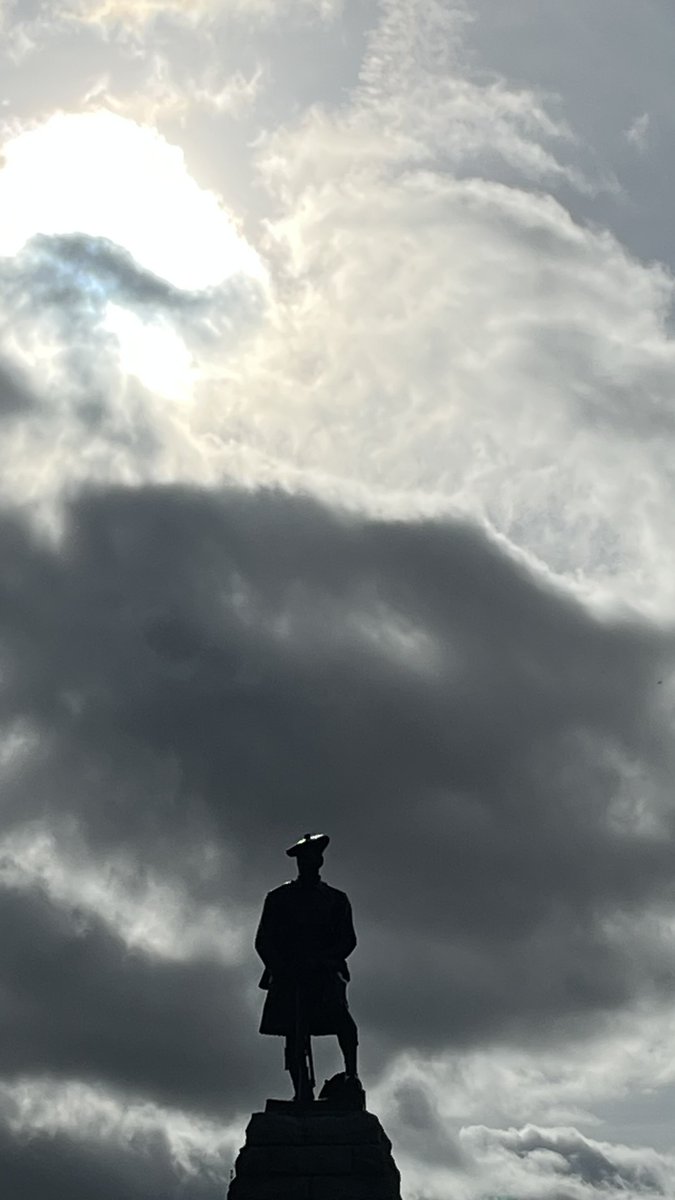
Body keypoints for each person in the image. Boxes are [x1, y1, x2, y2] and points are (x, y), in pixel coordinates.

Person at [255, 833, 359, 1102]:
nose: (306, 863)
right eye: (302, 858)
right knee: (294, 1033)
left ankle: (351, 1077)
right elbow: (264, 941)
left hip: (324, 974)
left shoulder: (336, 899)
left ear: (320, 861)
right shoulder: (279, 898)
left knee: (344, 1023)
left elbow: (347, 940)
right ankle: (301, 1089)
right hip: (289, 976)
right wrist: (284, 968)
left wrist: (323, 961)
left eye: (311, 857)